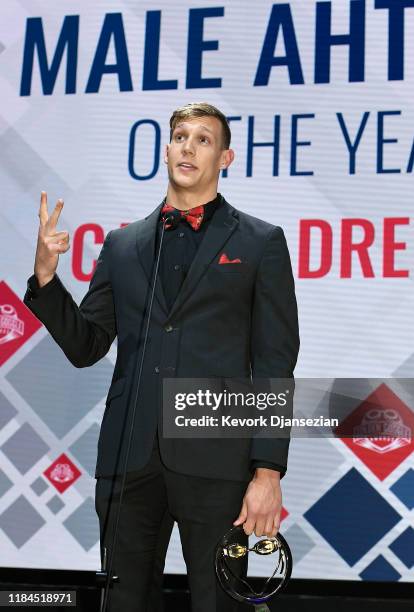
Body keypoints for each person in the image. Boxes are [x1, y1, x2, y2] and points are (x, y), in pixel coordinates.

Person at [24, 102, 300, 612]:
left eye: (203, 138)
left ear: (225, 157)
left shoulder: (261, 243)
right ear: (167, 149)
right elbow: (87, 345)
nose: (188, 146)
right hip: (130, 460)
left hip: (217, 461)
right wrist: (45, 277)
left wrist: (268, 473)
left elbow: (274, 364)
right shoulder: (123, 244)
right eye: (179, 136)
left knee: (222, 605)